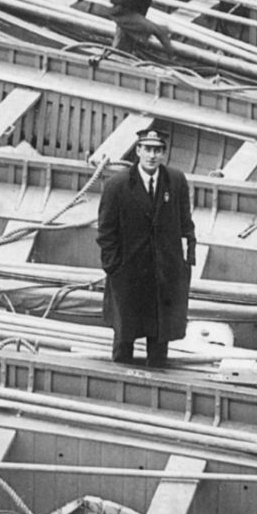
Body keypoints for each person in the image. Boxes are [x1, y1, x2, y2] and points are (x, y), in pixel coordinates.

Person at [96, 126, 196, 367]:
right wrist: (113, 266)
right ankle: (121, 374)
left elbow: (185, 223)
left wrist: (185, 261)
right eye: (148, 149)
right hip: (129, 271)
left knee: (160, 331)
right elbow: (106, 231)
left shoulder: (176, 180)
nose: (152, 156)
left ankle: (157, 373)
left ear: (163, 154)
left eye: (158, 150)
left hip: (164, 270)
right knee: (125, 332)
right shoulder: (117, 186)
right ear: (138, 150)